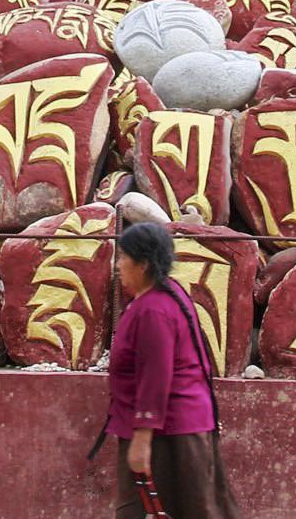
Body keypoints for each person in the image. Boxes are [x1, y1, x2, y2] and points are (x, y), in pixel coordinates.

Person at [101, 222, 239, 518]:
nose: (118, 265)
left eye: (123, 257)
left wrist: (142, 439)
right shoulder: (164, 295)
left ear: (143, 264)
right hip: (177, 426)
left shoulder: (154, 309)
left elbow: (156, 375)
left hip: (170, 432)